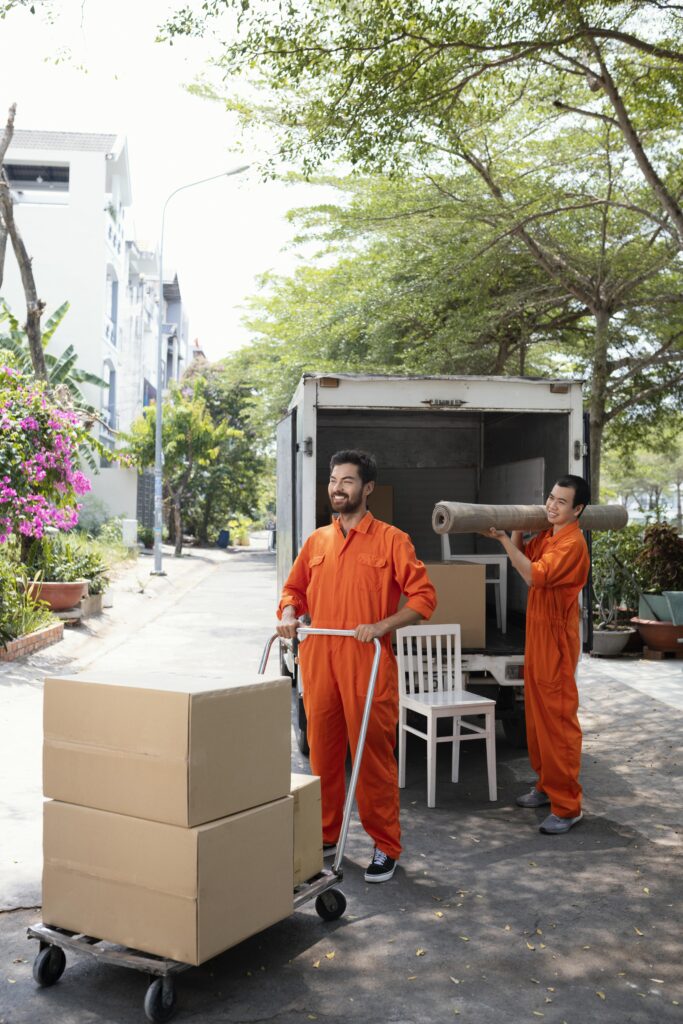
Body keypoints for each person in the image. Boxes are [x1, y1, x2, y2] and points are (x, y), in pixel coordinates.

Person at [276, 450, 436, 882]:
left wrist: (383, 624)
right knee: (323, 753)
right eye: (333, 480)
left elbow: (423, 599)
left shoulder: (391, 540)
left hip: (366, 660)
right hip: (320, 658)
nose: (337, 488)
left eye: (347, 481)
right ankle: (327, 834)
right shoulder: (316, 542)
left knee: (372, 757)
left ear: (367, 489)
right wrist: (290, 616)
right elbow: (294, 591)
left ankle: (385, 845)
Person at [485, 475, 591, 835]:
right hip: (538, 636)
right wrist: (516, 529)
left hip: (557, 642)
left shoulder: (572, 543)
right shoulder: (549, 534)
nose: (551, 505)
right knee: (537, 719)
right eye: (550, 498)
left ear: (577, 509)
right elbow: (525, 555)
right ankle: (547, 786)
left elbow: (531, 575)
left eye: (561, 502)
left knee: (558, 723)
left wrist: (503, 538)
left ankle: (568, 805)